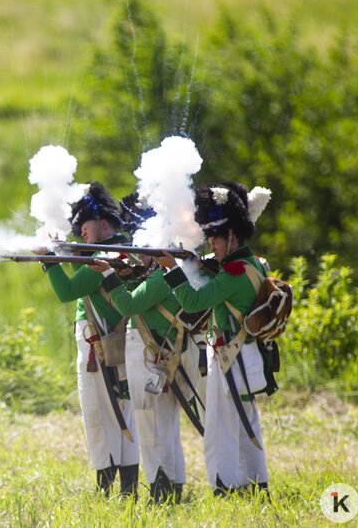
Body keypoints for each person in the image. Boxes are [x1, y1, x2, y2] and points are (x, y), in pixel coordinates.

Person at [155, 182, 270, 496]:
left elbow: (192, 303)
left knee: (220, 428)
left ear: (232, 236)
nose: (211, 244)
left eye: (216, 238)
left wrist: (172, 271)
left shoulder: (233, 272)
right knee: (247, 425)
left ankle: (225, 486)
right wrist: (196, 264)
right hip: (244, 357)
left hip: (229, 359)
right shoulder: (253, 264)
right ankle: (257, 484)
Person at [86, 192, 201, 504]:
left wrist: (109, 274)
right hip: (161, 358)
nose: (142, 257)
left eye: (147, 251)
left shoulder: (161, 278)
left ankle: (159, 489)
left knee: (149, 425)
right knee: (164, 425)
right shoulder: (171, 275)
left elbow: (127, 304)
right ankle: (173, 484)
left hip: (150, 359)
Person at [41, 182, 139, 498]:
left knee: (98, 414)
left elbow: (67, 292)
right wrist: (67, 253)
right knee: (124, 413)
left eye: (84, 226)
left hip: (97, 342)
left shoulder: (106, 256)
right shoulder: (123, 249)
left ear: (102, 222)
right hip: (119, 341)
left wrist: (48, 262)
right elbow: (84, 274)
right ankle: (129, 488)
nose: (81, 232)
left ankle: (104, 487)